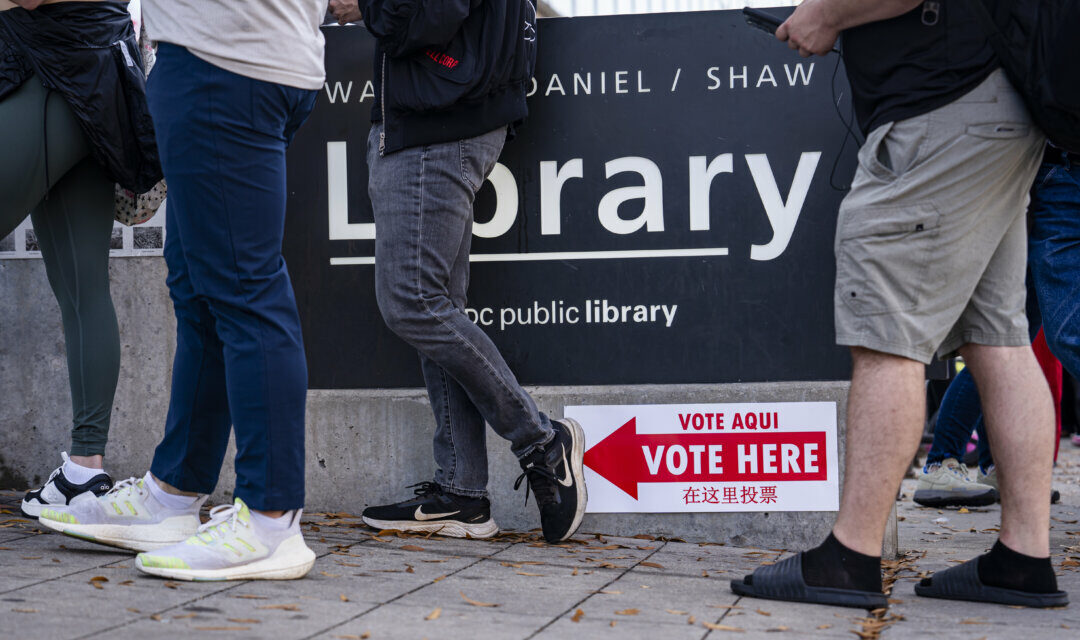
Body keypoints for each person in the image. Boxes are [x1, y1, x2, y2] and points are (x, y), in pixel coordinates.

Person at [732, 0, 1067, 608]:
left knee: (887, 337)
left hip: (941, 107)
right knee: (998, 338)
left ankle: (850, 557)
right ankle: (1023, 559)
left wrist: (826, 15)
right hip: (996, 104)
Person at [36, 0, 327, 581]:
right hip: (242, 53)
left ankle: (271, 521)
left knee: (244, 289)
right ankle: (174, 494)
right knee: (201, 290)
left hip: (224, 59)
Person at [338, 0, 588, 544]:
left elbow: (418, 15)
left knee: (412, 302)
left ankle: (540, 440)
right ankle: (463, 492)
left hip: (435, 121)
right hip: (443, 114)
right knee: (436, 306)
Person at [0, 0, 161, 518]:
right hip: (89, 85)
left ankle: (85, 472)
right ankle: (83, 474)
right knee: (82, 287)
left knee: (82, 289)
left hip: (47, 76)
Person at [916, 143, 1080, 508]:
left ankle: (990, 464)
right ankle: (943, 459)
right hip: (1040, 174)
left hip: (1037, 174)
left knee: (1008, 341)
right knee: (1004, 343)